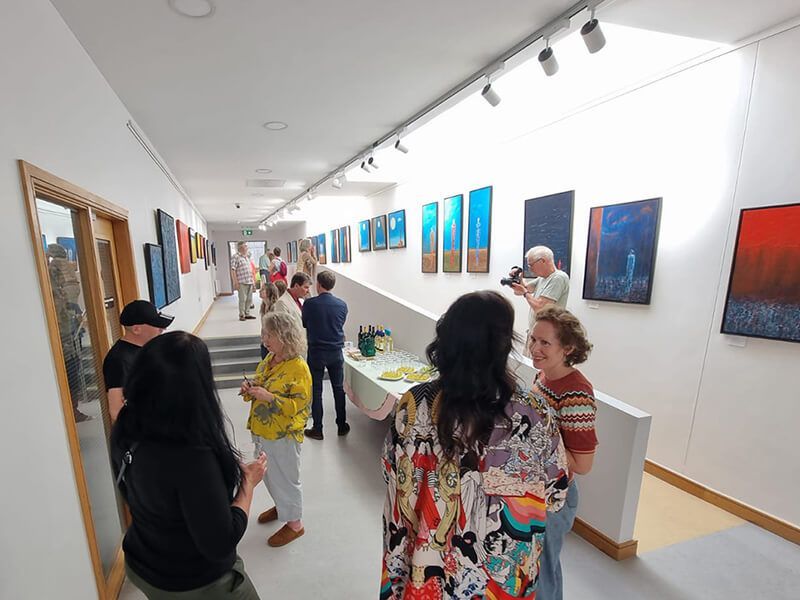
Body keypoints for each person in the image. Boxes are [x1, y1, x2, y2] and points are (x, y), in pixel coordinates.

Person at [381, 291, 569, 599]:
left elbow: (391, 472)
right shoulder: (534, 412)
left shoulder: (414, 404)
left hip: (427, 564)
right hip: (499, 575)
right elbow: (555, 492)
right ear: (503, 345)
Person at [111, 331, 266, 599]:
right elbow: (220, 542)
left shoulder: (126, 423)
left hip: (144, 561)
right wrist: (247, 486)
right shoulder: (191, 456)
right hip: (192, 582)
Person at [529, 306, 598, 600]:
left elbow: (583, 463)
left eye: (545, 343)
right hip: (537, 489)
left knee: (544, 572)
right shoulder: (543, 378)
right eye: (533, 339)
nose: (535, 348)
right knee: (531, 569)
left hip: (556, 498)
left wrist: (541, 440)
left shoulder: (575, 392)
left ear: (567, 347)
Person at [240, 312, 312, 547]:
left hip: (283, 433)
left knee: (286, 478)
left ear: (285, 336)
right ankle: (283, 506)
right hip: (263, 430)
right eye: (263, 333)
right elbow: (260, 383)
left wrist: (269, 397)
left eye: (269, 334)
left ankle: (295, 525)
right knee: (271, 475)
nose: (264, 339)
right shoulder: (270, 359)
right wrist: (249, 388)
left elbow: (298, 407)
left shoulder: (298, 367)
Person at [103, 300, 174, 421]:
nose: (163, 329)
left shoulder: (148, 349)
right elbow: (116, 409)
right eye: (157, 325)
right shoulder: (118, 360)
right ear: (136, 329)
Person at [302, 271, 349, 440]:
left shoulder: (309, 304)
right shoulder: (342, 305)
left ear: (318, 284)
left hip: (316, 352)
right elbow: (340, 323)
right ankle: (342, 425)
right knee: (338, 389)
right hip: (336, 351)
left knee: (316, 390)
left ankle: (318, 428)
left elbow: (305, 323)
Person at [46, 243, 90, 422]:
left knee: (73, 371)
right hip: (64, 332)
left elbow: (70, 296)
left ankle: (74, 410)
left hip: (68, 328)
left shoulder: (58, 268)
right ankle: (72, 411)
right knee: (71, 372)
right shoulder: (54, 271)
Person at [510, 246, 570, 358]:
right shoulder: (542, 278)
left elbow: (541, 308)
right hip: (536, 334)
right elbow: (522, 290)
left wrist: (525, 293)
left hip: (547, 338)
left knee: (539, 370)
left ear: (542, 261)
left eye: (531, 264)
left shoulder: (558, 278)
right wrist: (517, 279)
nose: (530, 268)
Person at [231, 242, 256, 321]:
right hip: (242, 282)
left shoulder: (246, 257)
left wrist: (253, 282)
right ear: (241, 248)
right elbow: (233, 270)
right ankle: (242, 315)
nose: (247, 247)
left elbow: (250, 270)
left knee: (249, 299)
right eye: (245, 246)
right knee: (243, 299)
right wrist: (235, 282)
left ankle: (247, 313)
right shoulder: (236, 257)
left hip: (249, 281)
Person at [259, 283, 280, 360]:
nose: (260, 291)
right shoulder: (263, 306)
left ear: (270, 291)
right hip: (265, 340)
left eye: (263, 289)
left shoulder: (275, 307)